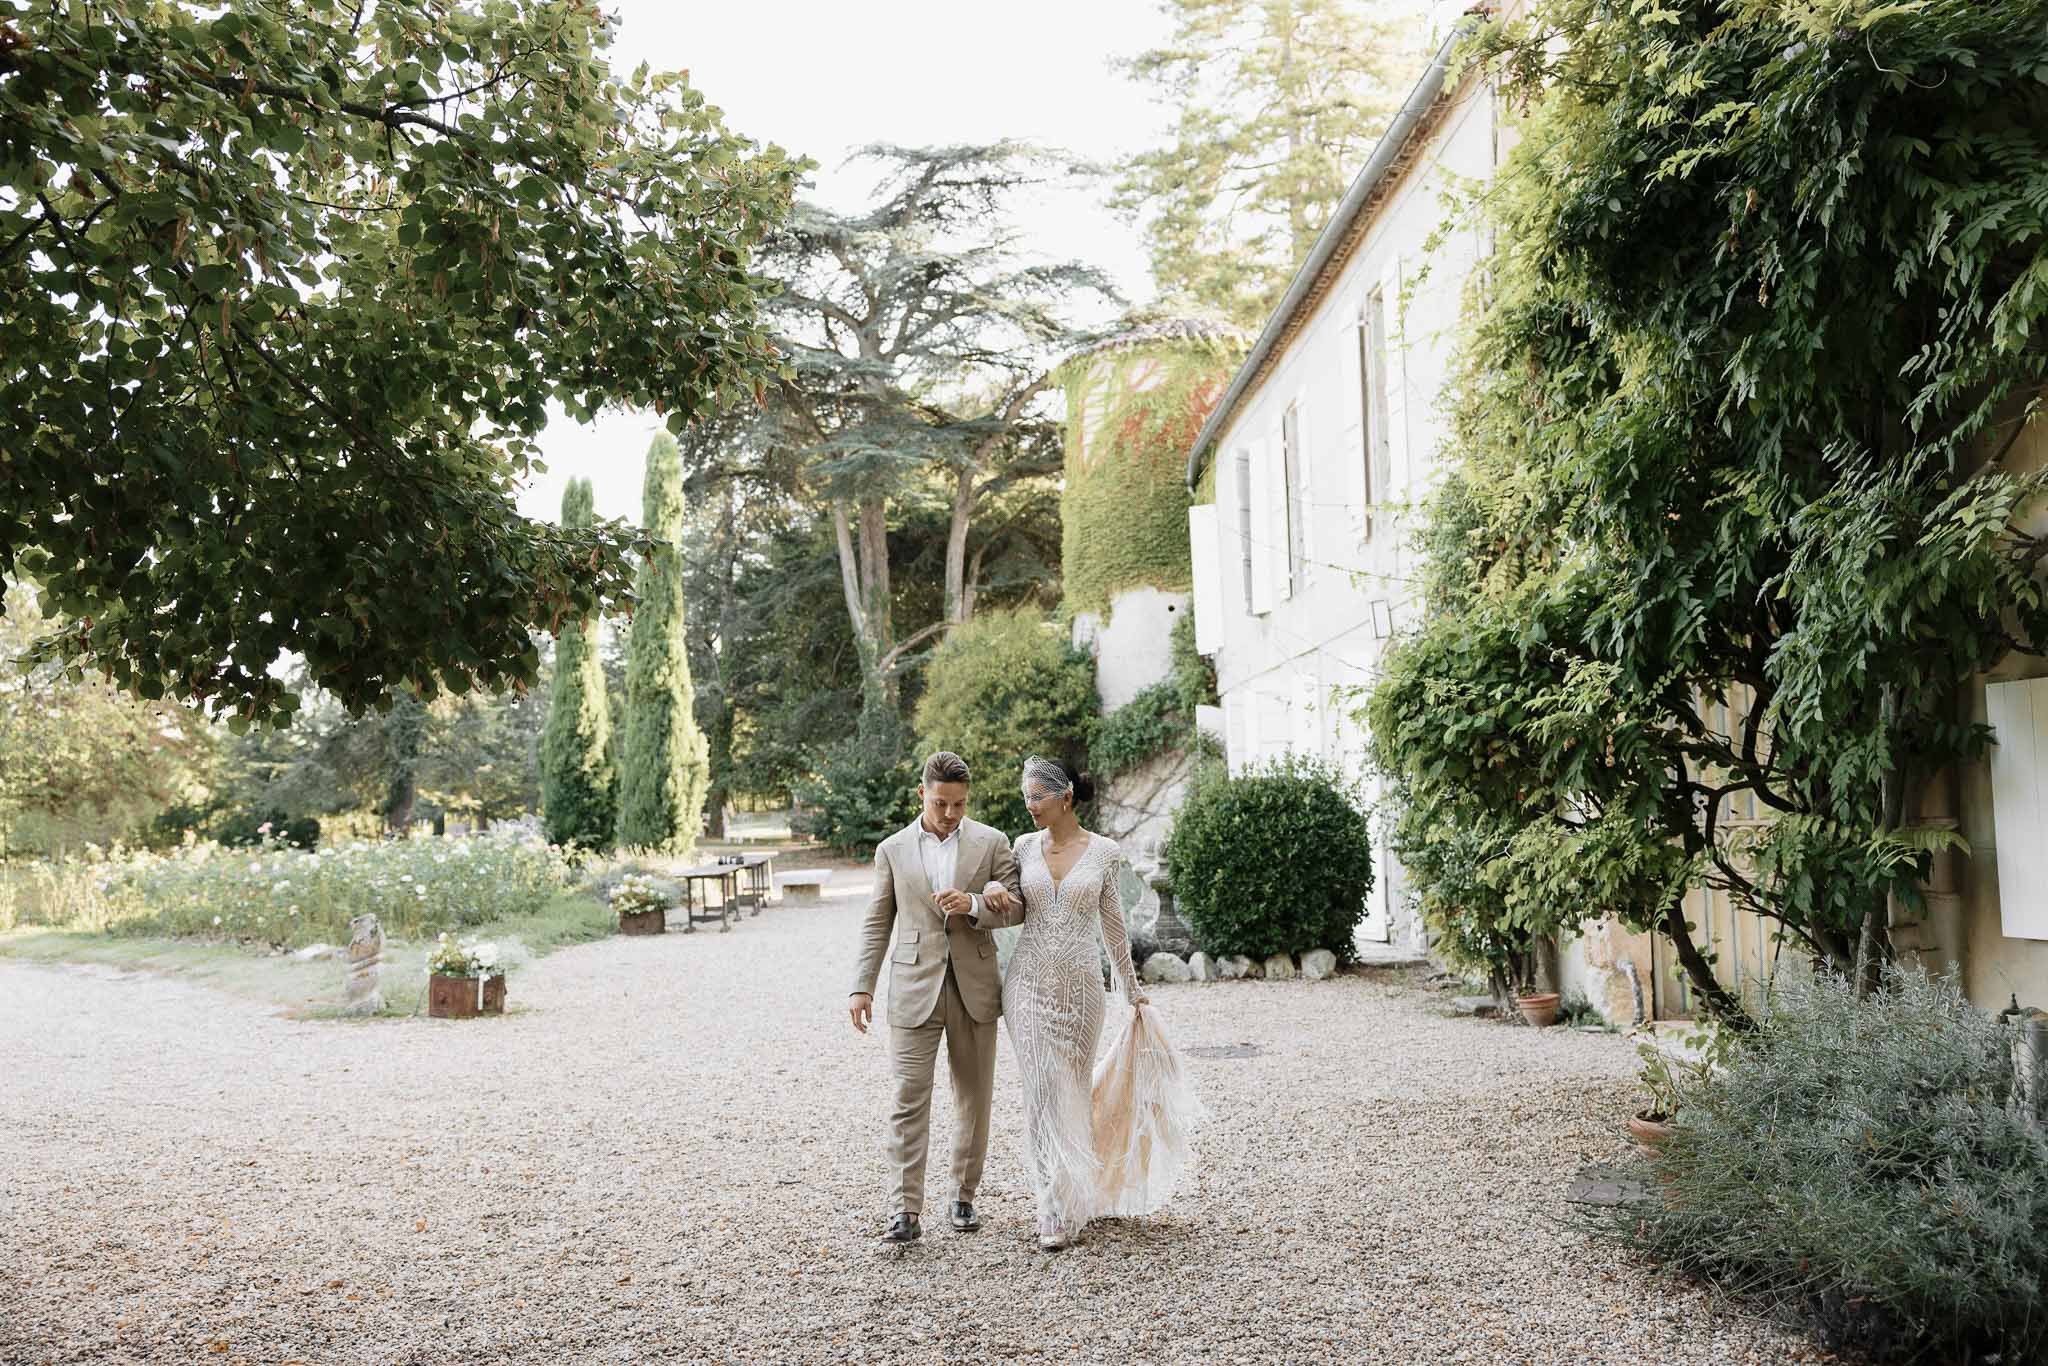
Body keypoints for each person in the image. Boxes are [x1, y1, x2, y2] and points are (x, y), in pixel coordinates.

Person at [995, 755, 1197, 1251]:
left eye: (1037, 796)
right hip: (1027, 984)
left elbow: (1113, 926)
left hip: (1083, 990)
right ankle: (1051, 1204)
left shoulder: (1104, 852)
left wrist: (1131, 988)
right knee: (1042, 1089)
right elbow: (1012, 904)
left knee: (1072, 1089)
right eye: (1026, 797)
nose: (1030, 806)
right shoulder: (1022, 848)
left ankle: (1078, 1192)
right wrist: (992, 893)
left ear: (1065, 797)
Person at [848, 751, 1022, 1245]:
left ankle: (963, 1196)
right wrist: (862, 985)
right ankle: (904, 1209)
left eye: (960, 804)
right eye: (942, 803)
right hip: (912, 987)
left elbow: (1016, 906)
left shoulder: (992, 842)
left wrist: (974, 905)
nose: (950, 813)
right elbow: (878, 920)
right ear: (922, 793)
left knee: (973, 1098)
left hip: (976, 986)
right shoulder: (892, 849)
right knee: (907, 1098)